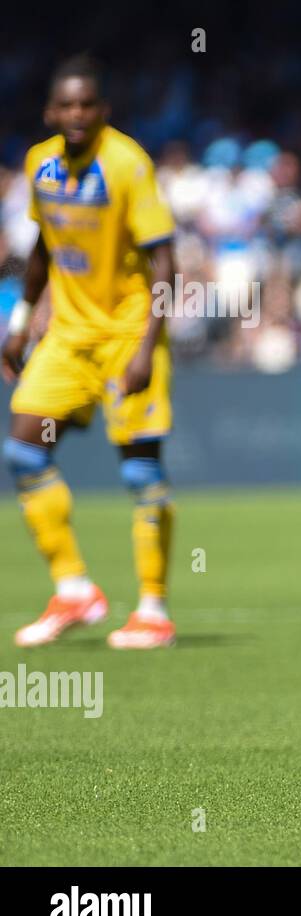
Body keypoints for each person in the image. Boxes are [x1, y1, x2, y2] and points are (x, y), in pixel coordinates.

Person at [2, 55, 178, 650]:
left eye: (88, 106)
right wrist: (22, 322)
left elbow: (165, 263)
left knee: (139, 470)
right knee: (25, 451)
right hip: (69, 338)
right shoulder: (39, 163)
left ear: (102, 111)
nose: (76, 115)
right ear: (52, 112)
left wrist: (144, 351)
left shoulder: (128, 164)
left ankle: (153, 608)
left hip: (129, 335)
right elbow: (43, 250)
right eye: (66, 106)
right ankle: (75, 590)